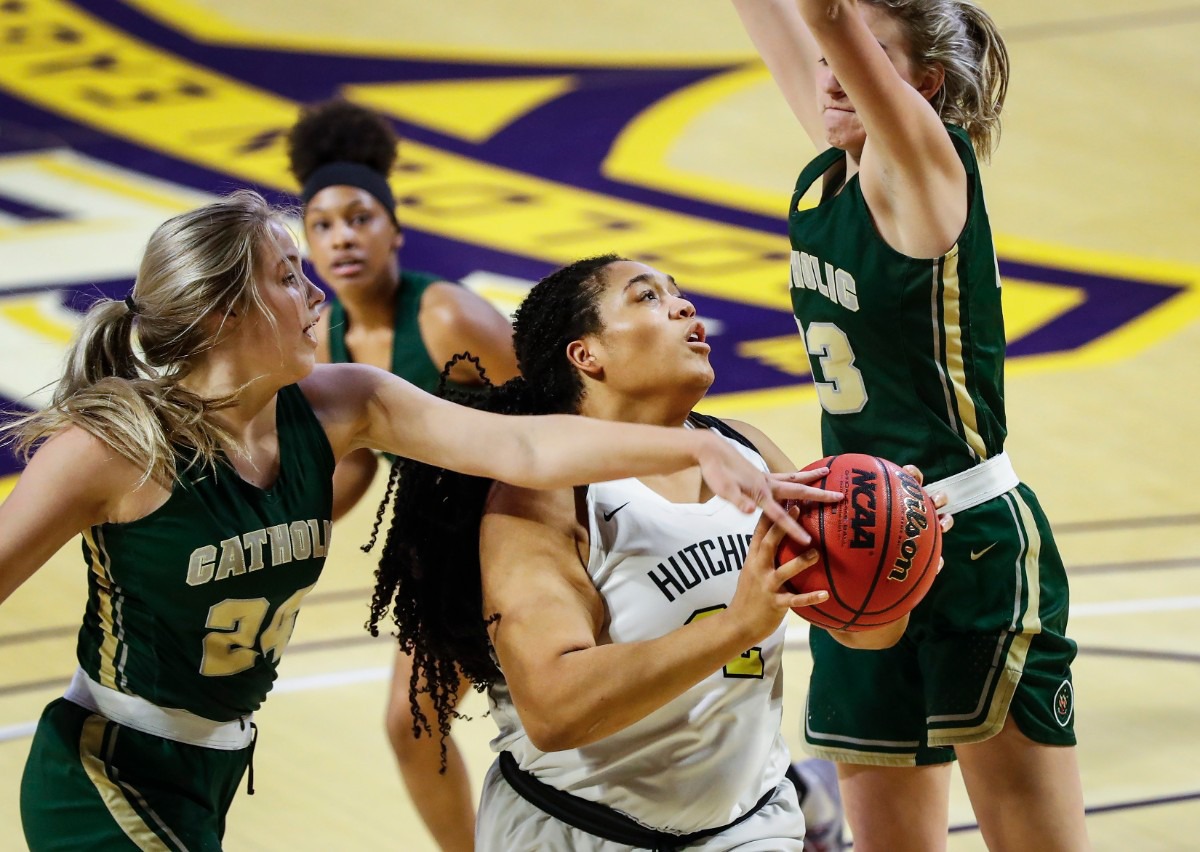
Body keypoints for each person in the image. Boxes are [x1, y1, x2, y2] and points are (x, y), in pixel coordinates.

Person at [0, 193, 824, 851]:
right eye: (290, 276)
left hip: (215, 764)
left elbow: (521, 448)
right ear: (223, 314)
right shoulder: (109, 450)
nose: (318, 293)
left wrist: (687, 453)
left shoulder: (340, 405)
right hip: (103, 767)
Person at [367, 255, 945, 850]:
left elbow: (863, 630)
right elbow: (553, 708)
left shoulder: (746, 448)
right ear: (586, 354)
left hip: (750, 826)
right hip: (579, 830)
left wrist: (899, 554)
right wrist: (738, 625)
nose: (683, 306)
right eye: (646, 298)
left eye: (678, 292)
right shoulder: (541, 499)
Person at [731, 1, 1088, 850]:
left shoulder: (926, 170)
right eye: (824, 60)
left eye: (856, 57)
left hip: (971, 547)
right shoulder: (832, 169)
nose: (830, 74)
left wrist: (835, 23)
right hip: (856, 542)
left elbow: (824, 15)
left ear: (922, 84)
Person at [287, 98, 518, 852]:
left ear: (395, 230)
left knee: (555, 716)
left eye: (358, 217)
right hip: (444, 547)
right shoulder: (326, 337)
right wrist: (285, 521)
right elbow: (352, 461)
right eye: (321, 224)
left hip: (525, 527)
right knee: (411, 724)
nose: (341, 236)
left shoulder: (446, 316)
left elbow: (554, 412)